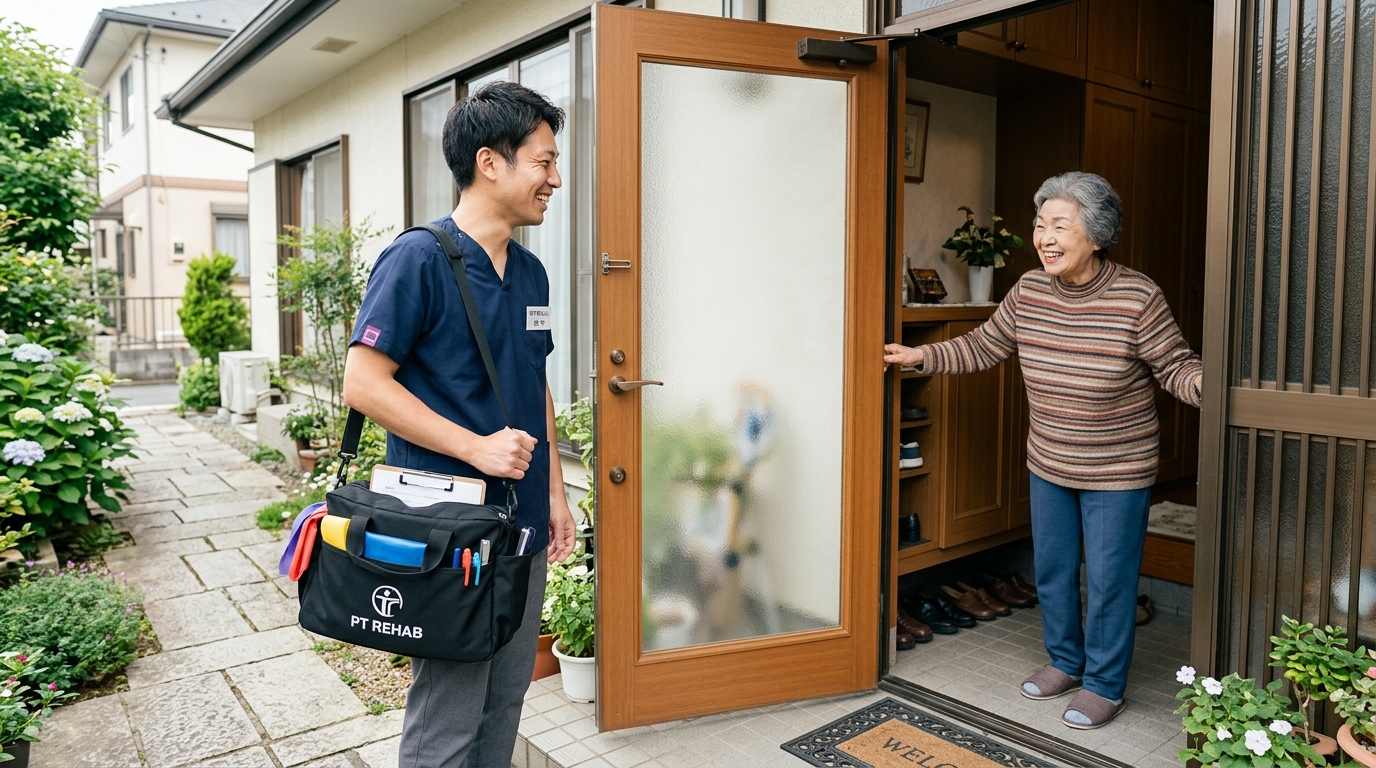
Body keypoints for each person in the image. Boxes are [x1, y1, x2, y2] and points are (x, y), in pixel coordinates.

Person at [882, 172, 1202, 730]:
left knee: (1108, 579)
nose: (1045, 237)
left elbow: (1174, 365)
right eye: (1039, 225)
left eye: (1061, 225)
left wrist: (1208, 387)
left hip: (1117, 468)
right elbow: (985, 344)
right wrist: (920, 357)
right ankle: (1066, 661)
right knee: (1053, 571)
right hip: (1049, 460)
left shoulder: (1137, 296)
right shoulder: (1029, 290)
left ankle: (1104, 683)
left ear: (1096, 236)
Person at [341, 81, 578, 767]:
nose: (555, 179)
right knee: (446, 720)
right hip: (448, 534)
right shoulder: (419, 258)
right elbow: (363, 382)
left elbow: (533, 387)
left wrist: (557, 497)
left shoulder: (531, 274)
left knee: (504, 703)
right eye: (544, 161)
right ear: (490, 162)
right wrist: (475, 447)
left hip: (522, 526)